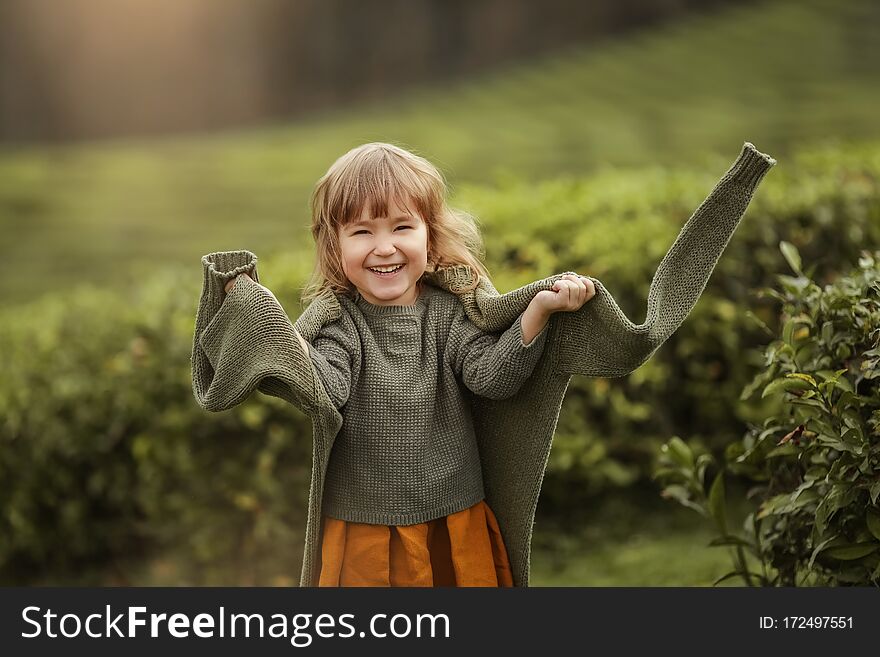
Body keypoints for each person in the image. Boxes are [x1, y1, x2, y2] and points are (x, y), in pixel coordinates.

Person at [192, 140, 776, 587]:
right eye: (362, 231)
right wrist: (262, 320)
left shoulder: (450, 313)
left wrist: (539, 311)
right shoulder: (340, 325)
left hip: (456, 521)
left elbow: (490, 377)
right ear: (335, 247)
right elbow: (326, 390)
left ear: (429, 234)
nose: (384, 246)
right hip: (369, 532)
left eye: (402, 227)